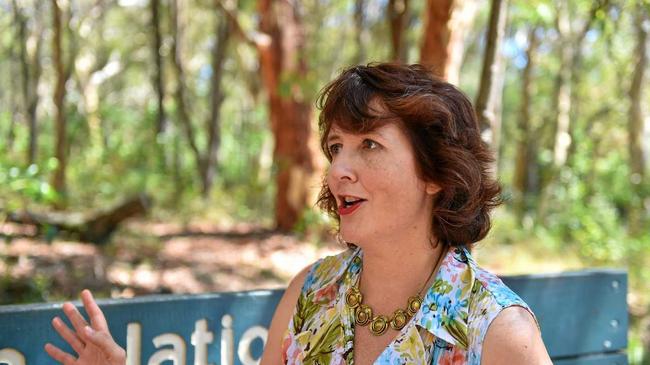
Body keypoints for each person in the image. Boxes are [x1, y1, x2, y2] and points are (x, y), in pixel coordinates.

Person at [45, 63, 552, 365]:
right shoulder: (310, 293)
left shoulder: (498, 331)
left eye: (369, 145)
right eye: (336, 148)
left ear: (435, 173)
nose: (338, 172)